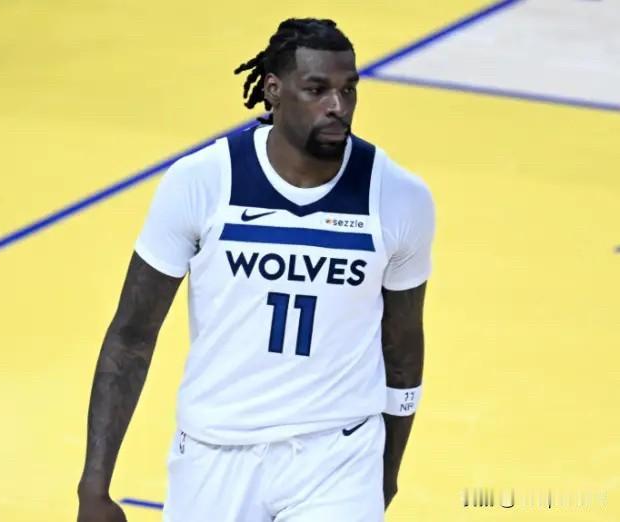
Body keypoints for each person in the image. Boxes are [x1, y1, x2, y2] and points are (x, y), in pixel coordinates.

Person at [77, 17, 435, 522]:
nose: (338, 105)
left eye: (349, 89)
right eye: (317, 89)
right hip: (214, 452)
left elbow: (403, 350)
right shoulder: (201, 183)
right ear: (273, 90)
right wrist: (94, 487)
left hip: (337, 455)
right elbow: (132, 335)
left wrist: (387, 469)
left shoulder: (399, 197)